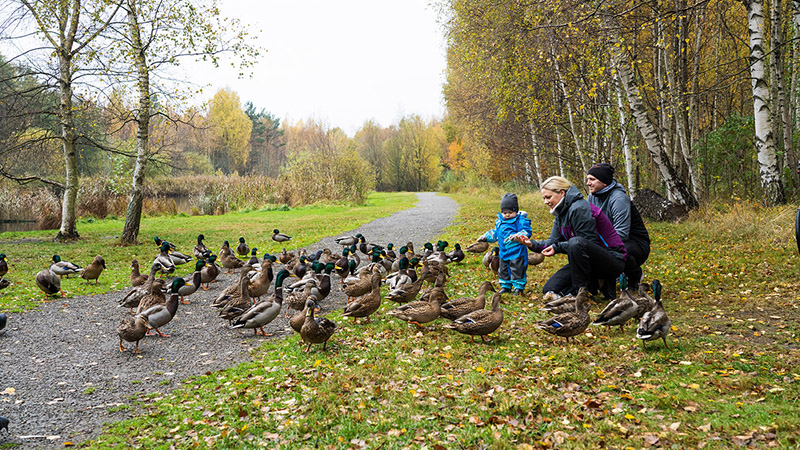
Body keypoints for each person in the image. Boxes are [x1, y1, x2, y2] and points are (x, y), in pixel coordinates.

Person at [516, 176, 626, 299]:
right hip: (585, 261)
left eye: (548, 197)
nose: (545, 202)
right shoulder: (560, 212)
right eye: (544, 198)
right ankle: (595, 284)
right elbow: (553, 241)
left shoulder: (579, 208)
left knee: (576, 242)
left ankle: (580, 293)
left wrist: (557, 247)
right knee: (550, 289)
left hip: (612, 259)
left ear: (562, 193)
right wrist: (531, 244)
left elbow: (586, 243)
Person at [586, 163, 651, 289]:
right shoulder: (591, 197)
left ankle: (634, 275)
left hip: (635, 243)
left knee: (617, 249)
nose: (588, 183)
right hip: (608, 240)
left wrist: (598, 248)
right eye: (588, 179)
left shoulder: (619, 199)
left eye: (592, 179)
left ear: (604, 182)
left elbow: (621, 233)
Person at [478, 193, 532, 295]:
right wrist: (486, 237)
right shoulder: (499, 222)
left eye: (510, 212)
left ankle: (518, 287)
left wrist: (517, 236)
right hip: (503, 252)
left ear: (515, 211)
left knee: (517, 269)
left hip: (517, 252)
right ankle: (506, 286)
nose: (507, 215)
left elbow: (526, 231)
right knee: (503, 270)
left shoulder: (520, 221)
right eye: (504, 212)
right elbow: (495, 233)